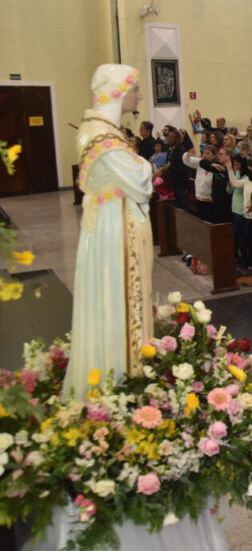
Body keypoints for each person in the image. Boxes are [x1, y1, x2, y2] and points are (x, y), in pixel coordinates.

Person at [64, 64, 153, 401]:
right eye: (135, 89)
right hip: (115, 231)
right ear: (118, 91)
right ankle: (121, 373)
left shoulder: (102, 131)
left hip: (111, 224)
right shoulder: (103, 137)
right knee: (119, 299)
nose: (140, 96)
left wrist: (137, 163)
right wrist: (143, 163)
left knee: (115, 297)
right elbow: (141, 181)